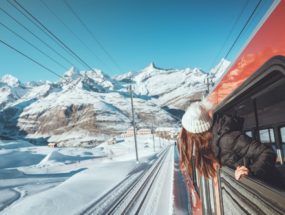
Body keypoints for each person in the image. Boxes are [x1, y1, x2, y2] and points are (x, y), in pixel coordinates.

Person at [179, 100, 276, 181]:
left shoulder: (227, 139)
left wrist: (250, 172)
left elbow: (267, 152)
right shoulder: (213, 140)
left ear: (199, 134)